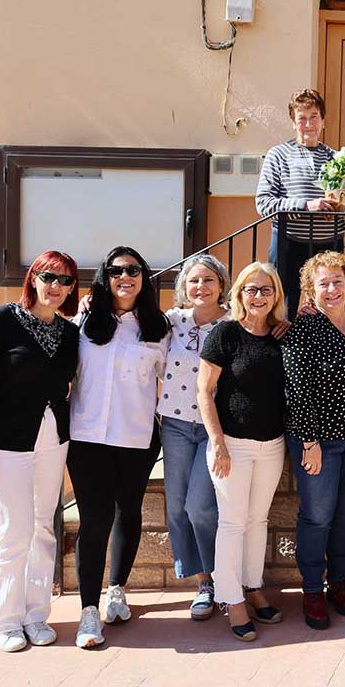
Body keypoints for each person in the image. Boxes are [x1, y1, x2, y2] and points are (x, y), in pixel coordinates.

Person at [0, 250, 80, 652]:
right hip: (6, 443)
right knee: (16, 530)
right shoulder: (0, 321)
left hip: (53, 439)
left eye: (65, 281)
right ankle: (7, 619)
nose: (56, 287)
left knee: (45, 527)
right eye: (49, 277)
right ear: (33, 278)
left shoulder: (68, 334)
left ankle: (35, 613)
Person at [68, 246, 170, 649]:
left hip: (136, 438)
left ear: (144, 277)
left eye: (133, 270)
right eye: (115, 270)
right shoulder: (83, 320)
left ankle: (117, 591)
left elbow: (175, 374)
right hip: (87, 437)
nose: (124, 277)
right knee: (94, 521)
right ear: (104, 277)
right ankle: (88, 612)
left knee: (128, 511)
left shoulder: (159, 327)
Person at [280, 251, 345, 629]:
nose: (332, 289)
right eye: (323, 283)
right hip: (318, 441)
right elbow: (298, 390)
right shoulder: (301, 331)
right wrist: (309, 442)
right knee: (317, 516)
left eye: (338, 281)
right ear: (310, 290)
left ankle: (339, 581)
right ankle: (311, 589)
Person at [197, 262, 289, 641]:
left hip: (272, 444)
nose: (258, 296)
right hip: (231, 444)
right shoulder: (225, 334)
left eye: (266, 289)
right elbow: (205, 390)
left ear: (276, 295)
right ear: (238, 294)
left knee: (258, 520)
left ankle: (252, 586)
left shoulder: (283, 336)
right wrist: (217, 441)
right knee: (233, 522)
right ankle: (231, 598)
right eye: (251, 289)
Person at [157, 254, 229, 621]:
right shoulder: (172, 322)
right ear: (184, 288)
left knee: (199, 505)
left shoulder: (235, 322)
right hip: (174, 424)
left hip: (214, 427)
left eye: (208, 280)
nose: (201, 287)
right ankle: (203, 582)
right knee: (176, 507)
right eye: (193, 281)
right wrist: (92, 302)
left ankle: (219, 577)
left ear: (221, 285)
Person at [255, 88, 345, 316]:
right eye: (302, 119)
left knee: (330, 307)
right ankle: (283, 351)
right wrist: (306, 206)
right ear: (293, 123)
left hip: (329, 245)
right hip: (288, 243)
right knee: (283, 308)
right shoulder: (278, 155)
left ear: (323, 121)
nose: (308, 124)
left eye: (314, 117)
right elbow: (264, 204)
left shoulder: (338, 158)